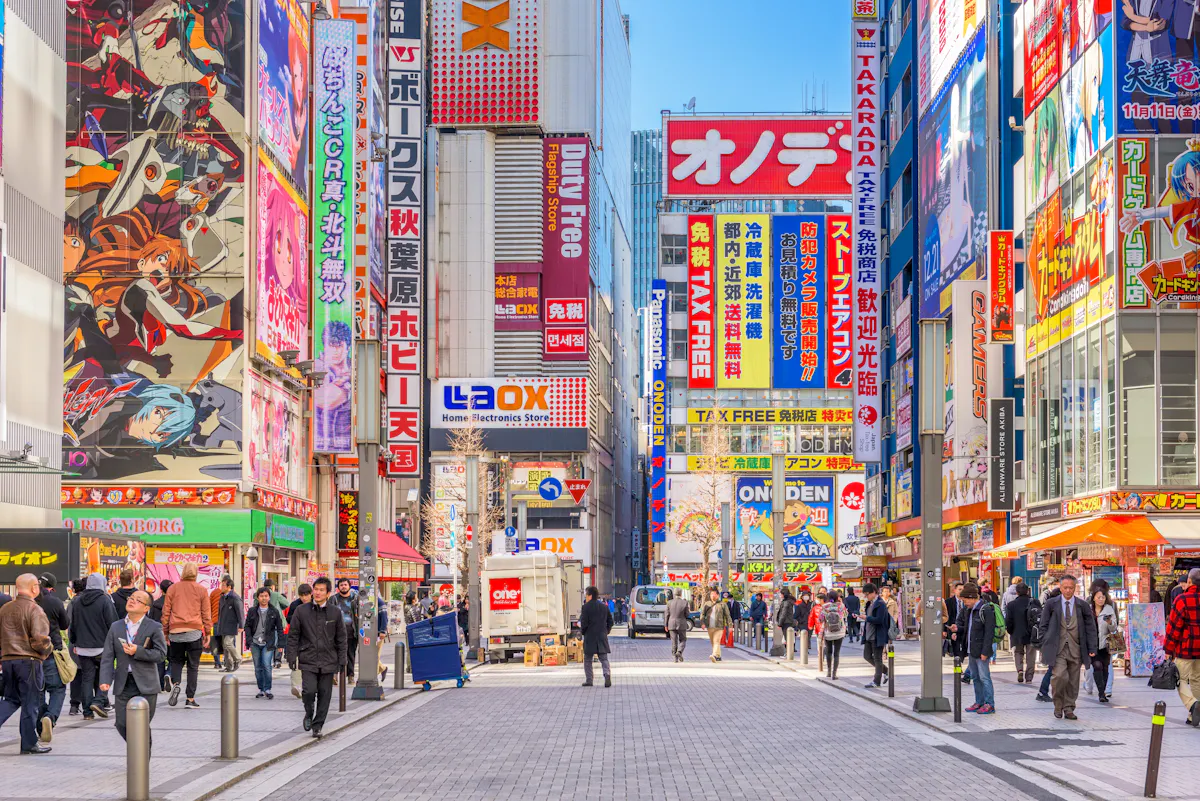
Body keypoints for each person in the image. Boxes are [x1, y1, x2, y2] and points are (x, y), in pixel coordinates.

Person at [99, 590, 166, 754]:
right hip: (124, 682)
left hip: (146, 684)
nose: (132, 601)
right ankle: (139, 752)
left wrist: (139, 651)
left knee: (142, 724)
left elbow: (161, 654)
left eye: (138, 600)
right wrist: (105, 679)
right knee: (121, 723)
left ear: (146, 608)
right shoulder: (116, 627)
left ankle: (142, 761)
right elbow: (108, 656)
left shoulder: (153, 627)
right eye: (131, 598)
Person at [286, 577, 347, 738]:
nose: (318, 592)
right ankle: (309, 711)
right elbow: (293, 635)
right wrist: (291, 656)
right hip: (308, 658)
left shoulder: (335, 612)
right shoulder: (301, 611)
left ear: (328, 593)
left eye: (321, 590)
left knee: (325, 693)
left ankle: (318, 725)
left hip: (329, 659)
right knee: (308, 691)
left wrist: (342, 660)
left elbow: (341, 638)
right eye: (316, 589)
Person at [0, 574, 53, 754]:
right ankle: (29, 743)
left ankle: (29, 743)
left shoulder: (5, 609)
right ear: (34, 588)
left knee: (11, 699)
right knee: (31, 702)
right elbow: (40, 639)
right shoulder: (34, 609)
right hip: (29, 661)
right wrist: (47, 651)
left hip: (8, 660)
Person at [1038, 575, 1097, 720]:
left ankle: (1069, 707)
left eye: (1071, 588)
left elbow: (1091, 627)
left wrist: (1092, 647)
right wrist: (1045, 641)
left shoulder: (1082, 605)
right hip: (1057, 648)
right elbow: (1043, 625)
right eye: (1065, 587)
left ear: (1075, 588)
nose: (1068, 590)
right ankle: (1058, 705)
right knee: (1059, 676)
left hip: (1076, 647)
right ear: (1060, 587)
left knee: (1073, 680)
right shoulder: (1052, 604)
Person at [161, 563, 212, 708]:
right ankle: (190, 699)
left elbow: (166, 612)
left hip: (175, 632)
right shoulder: (201, 590)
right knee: (193, 666)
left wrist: (166, 631)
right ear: (195, 573)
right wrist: (207, 632)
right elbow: (206, 614)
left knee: (176, 661)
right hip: (194, 632)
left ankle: (176, 683)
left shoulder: (172, 588)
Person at [68, 572, 117, 719]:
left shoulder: (77, 601)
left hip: (82, 647)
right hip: (102, 646)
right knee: (107, 674)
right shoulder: (105, 600)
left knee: (87, 678)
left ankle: (87, 712)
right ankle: (99, 700)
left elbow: (73, 625)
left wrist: (74, 641)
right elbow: (113, 623)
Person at [34, 573, 69, 742]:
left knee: (38, 692)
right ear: (51, 588)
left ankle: (41, 727)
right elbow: (64, 624)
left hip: (30, 654)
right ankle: (51, 716)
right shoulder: (54, 602)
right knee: (57, 689)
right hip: (50, 651)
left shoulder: (28, 603)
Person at [1165, 567, 1200, 726]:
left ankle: (1193, 705)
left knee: (1179, 679)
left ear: (1190, 581)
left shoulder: (1182, 599)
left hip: (1185, 647)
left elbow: (1174, 627)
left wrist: (1168, 649)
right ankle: (1194, 716)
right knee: (1197, 680)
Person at [957, 583, 997, 714]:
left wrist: (986, 651)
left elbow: (989, 632)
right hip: (972, 649)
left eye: (965, 600)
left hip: (981, 651)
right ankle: (979, 701)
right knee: (975, 677)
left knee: (984, 677)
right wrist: (957, 629)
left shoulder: (986, 610)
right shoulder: (970, 610)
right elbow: (968, 629)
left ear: (972, 597)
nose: (964, 603)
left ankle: (989, 703)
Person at [246, 587, 284, 699]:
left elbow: (280, 628)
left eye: (266, 596)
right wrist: (249, 640)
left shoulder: (274, 611)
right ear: (258, 597)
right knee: (258, 667)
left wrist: (281, 644)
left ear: (269, 597)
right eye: (261, 596)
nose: (264, 598)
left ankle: (268, 689)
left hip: (268, 643)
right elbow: (247, 626)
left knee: (267, 665)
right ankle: (261, 689)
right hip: (255, 643)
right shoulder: (252, 611)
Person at [579, 586, 614, 687]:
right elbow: (610, 621)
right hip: (602, 635)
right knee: (603, 658)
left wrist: (583, 632)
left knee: (588, 659)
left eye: (586, 595)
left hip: (590, 636)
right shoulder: (604, 606)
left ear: (590, 596)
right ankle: (607, 675)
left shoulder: (586, 607)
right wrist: (606, 631)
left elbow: (584, 623)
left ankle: (589, 680)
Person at [1089, 587, 1118, 703]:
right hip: (1092, 643)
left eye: (1103, 597)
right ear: (1094, 598)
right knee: (1097, 666)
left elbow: (1114, 627)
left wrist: (1110, 622)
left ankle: (1102, 693)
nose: (1101, 599)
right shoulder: (1089, 609)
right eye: (1098, 597)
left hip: (1105, 644)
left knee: (1105, 668)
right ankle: (1101, 692)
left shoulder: (1109, 609)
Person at [1006, 582, 1038, 683]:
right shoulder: (1034, 602)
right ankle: (1029, 677)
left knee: (1018, 652)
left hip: (1017, 632)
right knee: (1031, 655)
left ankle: (1020, 670)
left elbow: (1008, 621)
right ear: (1028, 591)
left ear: (1017, 592)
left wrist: (1010, 631)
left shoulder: (1011, 605)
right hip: (1032, 633)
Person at [859, 583, 890, 688]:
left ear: (873, 592)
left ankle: (876, 681)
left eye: (867, 594)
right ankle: (886, 671)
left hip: (877, 635)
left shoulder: (880, 603)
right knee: (867, 656)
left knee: (877, 658)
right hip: (868, 635)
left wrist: (866, 618)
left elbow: (880, 620)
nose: (866, 596)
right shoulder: (869, 603)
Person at [214, 576, 245, 672]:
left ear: (229, 587)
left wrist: (241, 625)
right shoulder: (222, 597)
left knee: (228, 643)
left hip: (231, 625)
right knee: (225, 646)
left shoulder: (235, 598)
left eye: (223, 585)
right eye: (221, 585)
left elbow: (240, 612)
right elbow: (220, 612)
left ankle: (238, 658)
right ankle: (228, 666)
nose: (221, 587)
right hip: (223, 624)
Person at [332, 579, 360, 681]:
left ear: (349, 586)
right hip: (336, 632)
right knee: (335, 654)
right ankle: (334, 675)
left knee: (350, 654)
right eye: (341, 585)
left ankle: (350, 676)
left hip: (352, 631)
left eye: (345, 585)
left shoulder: (355, 599)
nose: (343, 586)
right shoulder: (333, 599)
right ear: (338, 587)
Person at [148, 579, 172, 691]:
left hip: (158, 634)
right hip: (172, 634)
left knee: (160, 659)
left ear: (161, 590)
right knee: (174, 658)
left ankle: (160, 684)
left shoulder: (155, 604)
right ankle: (169, 673)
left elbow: (150, 621)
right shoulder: (174, 604)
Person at [819, 590, 848, 679]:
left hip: (828, 632)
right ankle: (834, 674)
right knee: (836, 653)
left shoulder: (825, 606)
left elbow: (820, 619)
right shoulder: (841, 606)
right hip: (839, 632)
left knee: (829, 652)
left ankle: (828, 672)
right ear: (837, 597)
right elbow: (846, 615)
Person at [700, 589, 732, 663]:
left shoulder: (722, 604)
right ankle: (718, 656)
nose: (712, 595)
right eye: (711, 594)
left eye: (714, 594)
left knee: (716, 641)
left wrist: (730, 625)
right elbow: (702, 614)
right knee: (713, 642)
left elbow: (727, 615)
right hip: (710, 626)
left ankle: (714, 655)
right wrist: (702, 623)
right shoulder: (707, 604)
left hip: (719, 626)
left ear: (717, 595)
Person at [264, 579, 288, 668]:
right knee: (277, 641)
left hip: (264, 622)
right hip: (276, 622)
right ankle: (277, 660)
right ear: (272, 587)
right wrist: (279, 607)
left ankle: (267, 661)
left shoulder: (258, 594)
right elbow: (286, 603)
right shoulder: (276, 595)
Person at [666, 589, 690, 662]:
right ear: (681, 594)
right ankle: (679, 652)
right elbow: (687, 614)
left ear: (674, 594)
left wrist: (665, 625)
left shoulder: (669, 603)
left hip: (671, 624)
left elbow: (666, 614)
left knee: (674, 641)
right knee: (683, 640)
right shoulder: (684, 603)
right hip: (681, 623)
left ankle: (675, 658)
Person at [772, 588, 795, 656]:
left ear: (783, 594)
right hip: (788, 621)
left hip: (786, 622)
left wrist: (780, 623)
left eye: (780, 593)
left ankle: (789, 653)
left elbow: (783, 613)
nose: (779, 595)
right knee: (787, 638)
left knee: (787, 638)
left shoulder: (786, 602)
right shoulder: (787, 601)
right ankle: (788, 652)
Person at [208, 581, 225, 669]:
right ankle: (226, 661)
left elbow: (208, 606)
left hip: (215, 621)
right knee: (226, 642)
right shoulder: (231, 594)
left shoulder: (214, 593)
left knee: (215, 642)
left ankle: (217, 663)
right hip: (226, 622)